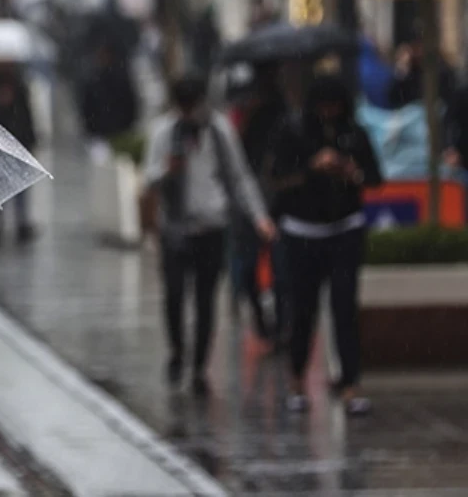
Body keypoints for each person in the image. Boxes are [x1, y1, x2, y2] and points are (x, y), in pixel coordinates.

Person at [143, 75, 275, 396]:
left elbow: (239, 176)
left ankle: (200, 365)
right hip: (175, 227)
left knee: (205, 299)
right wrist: (166, 170)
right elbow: (148, 178)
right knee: (174, 295)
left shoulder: (219, 131)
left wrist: (260, 218)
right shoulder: (164, 132)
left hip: (211, 227)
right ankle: (177, 352)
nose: (190, 113)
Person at [269, 74, 382, 416]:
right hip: (302, 232)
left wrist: (351, 172)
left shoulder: (355, 133)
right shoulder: (293, 131)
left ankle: (350, 383)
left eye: (335, 107)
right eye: (323, 107)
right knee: (302, 309)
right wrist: (312, 168)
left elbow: (375, 178)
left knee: (345, 307)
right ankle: (297, 380)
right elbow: (276, 178)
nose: (329, 113)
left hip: (345, 229)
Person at [229, 66, 290, 347]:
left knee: (277, 267)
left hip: (275, 202)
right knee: (250, 266)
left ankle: (277, 325)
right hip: (251, 203)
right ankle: (265, 322)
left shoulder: (284, 117)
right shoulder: (246, 119)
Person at [0, 62, 40, 244]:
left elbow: (26, 115)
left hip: (17, 142)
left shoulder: (19, 85)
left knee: (20, 187)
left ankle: (21, 224)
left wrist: (30, 139)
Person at [78, 44, 139, 159]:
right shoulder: (92, 81)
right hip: (99, 137)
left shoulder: (121, 79)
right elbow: (86, 107)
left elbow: (130, 105)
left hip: (120, 135)